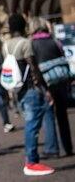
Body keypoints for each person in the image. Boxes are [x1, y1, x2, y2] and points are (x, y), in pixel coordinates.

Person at [3, 14, 55, 176]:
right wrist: (46, 89)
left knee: (31, 123)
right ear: (23, 26)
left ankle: (32, 159)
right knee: (32, 125)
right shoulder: (25, 43)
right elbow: (33, 67)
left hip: (19, 90)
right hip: (31, 88)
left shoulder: (6, 45)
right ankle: (32, 162)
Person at [29, 17, 72, 157]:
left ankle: (52, 148)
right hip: (61, 80)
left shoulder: (33, 44)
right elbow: (64, 59)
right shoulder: (54, 41)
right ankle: (68, 147)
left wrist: (43, 87)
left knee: (48, 115)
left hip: (47, 83)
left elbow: (34, 68)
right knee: (62, 115)